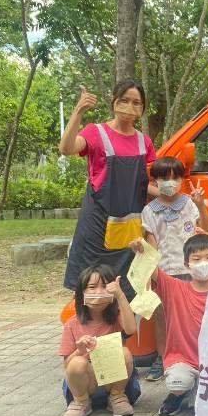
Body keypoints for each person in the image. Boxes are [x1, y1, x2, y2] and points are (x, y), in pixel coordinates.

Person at [60, 80, 157, 300]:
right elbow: (66, 149)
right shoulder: (96, 132)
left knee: (127, 296)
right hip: (97, 227)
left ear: (142, 109)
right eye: (124, 100)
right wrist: (79, 111)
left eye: (136, 102)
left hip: (131, 232)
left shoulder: (145, 142)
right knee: (93, 293)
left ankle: (124, 336)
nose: (129, 106)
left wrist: (172, 195)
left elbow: (146, 185)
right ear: (114, 101)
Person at [131, 233, 208, 416]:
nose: (204, 262)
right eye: (197, 258)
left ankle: (195, 390)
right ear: (187, 265)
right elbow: (153, 270)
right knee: (178, 383)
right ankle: (178, 394)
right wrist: (142, 250)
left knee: (206, 403)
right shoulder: (175, 288)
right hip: (182, 359)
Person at [140, 156, 208, 382]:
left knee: (192, 316)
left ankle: (197, 356)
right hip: (164, 272)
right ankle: (163, 358)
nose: (170, 182)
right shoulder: (150, 211)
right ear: (156, 181)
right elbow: (152, 243)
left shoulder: (190, 204)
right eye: (164, 178)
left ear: (181, 178)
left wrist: (201, 204)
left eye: (175, 177)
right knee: (162, 318)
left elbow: (205, 230)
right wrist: (152, 272)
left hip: (191, 272)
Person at [59, 265, 139, 416]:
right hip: (86, 383)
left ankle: (117, 396)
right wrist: (80, 351)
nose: (98, 292)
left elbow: (131, 329)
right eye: (92, 287)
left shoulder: (116, 317)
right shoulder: (72, 324)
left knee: (124, 352)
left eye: (104, 286)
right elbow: (68, 366)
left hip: (114, 379)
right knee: (77, 362)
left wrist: (120, 295)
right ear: (81, 293)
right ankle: (81, 402)